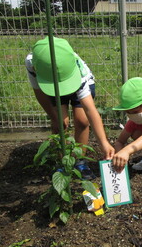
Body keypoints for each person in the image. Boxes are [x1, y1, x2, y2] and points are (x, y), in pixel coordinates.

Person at [25, 36, 114, 178]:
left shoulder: (81, 74)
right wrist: (53, 117)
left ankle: (80, 161)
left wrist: (104, 143)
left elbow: (91, 110)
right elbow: (39, 93)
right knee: (60, 123)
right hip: (50, 85)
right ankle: (63, 162)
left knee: (82, 121)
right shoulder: (33, 63)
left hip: (75, 82)